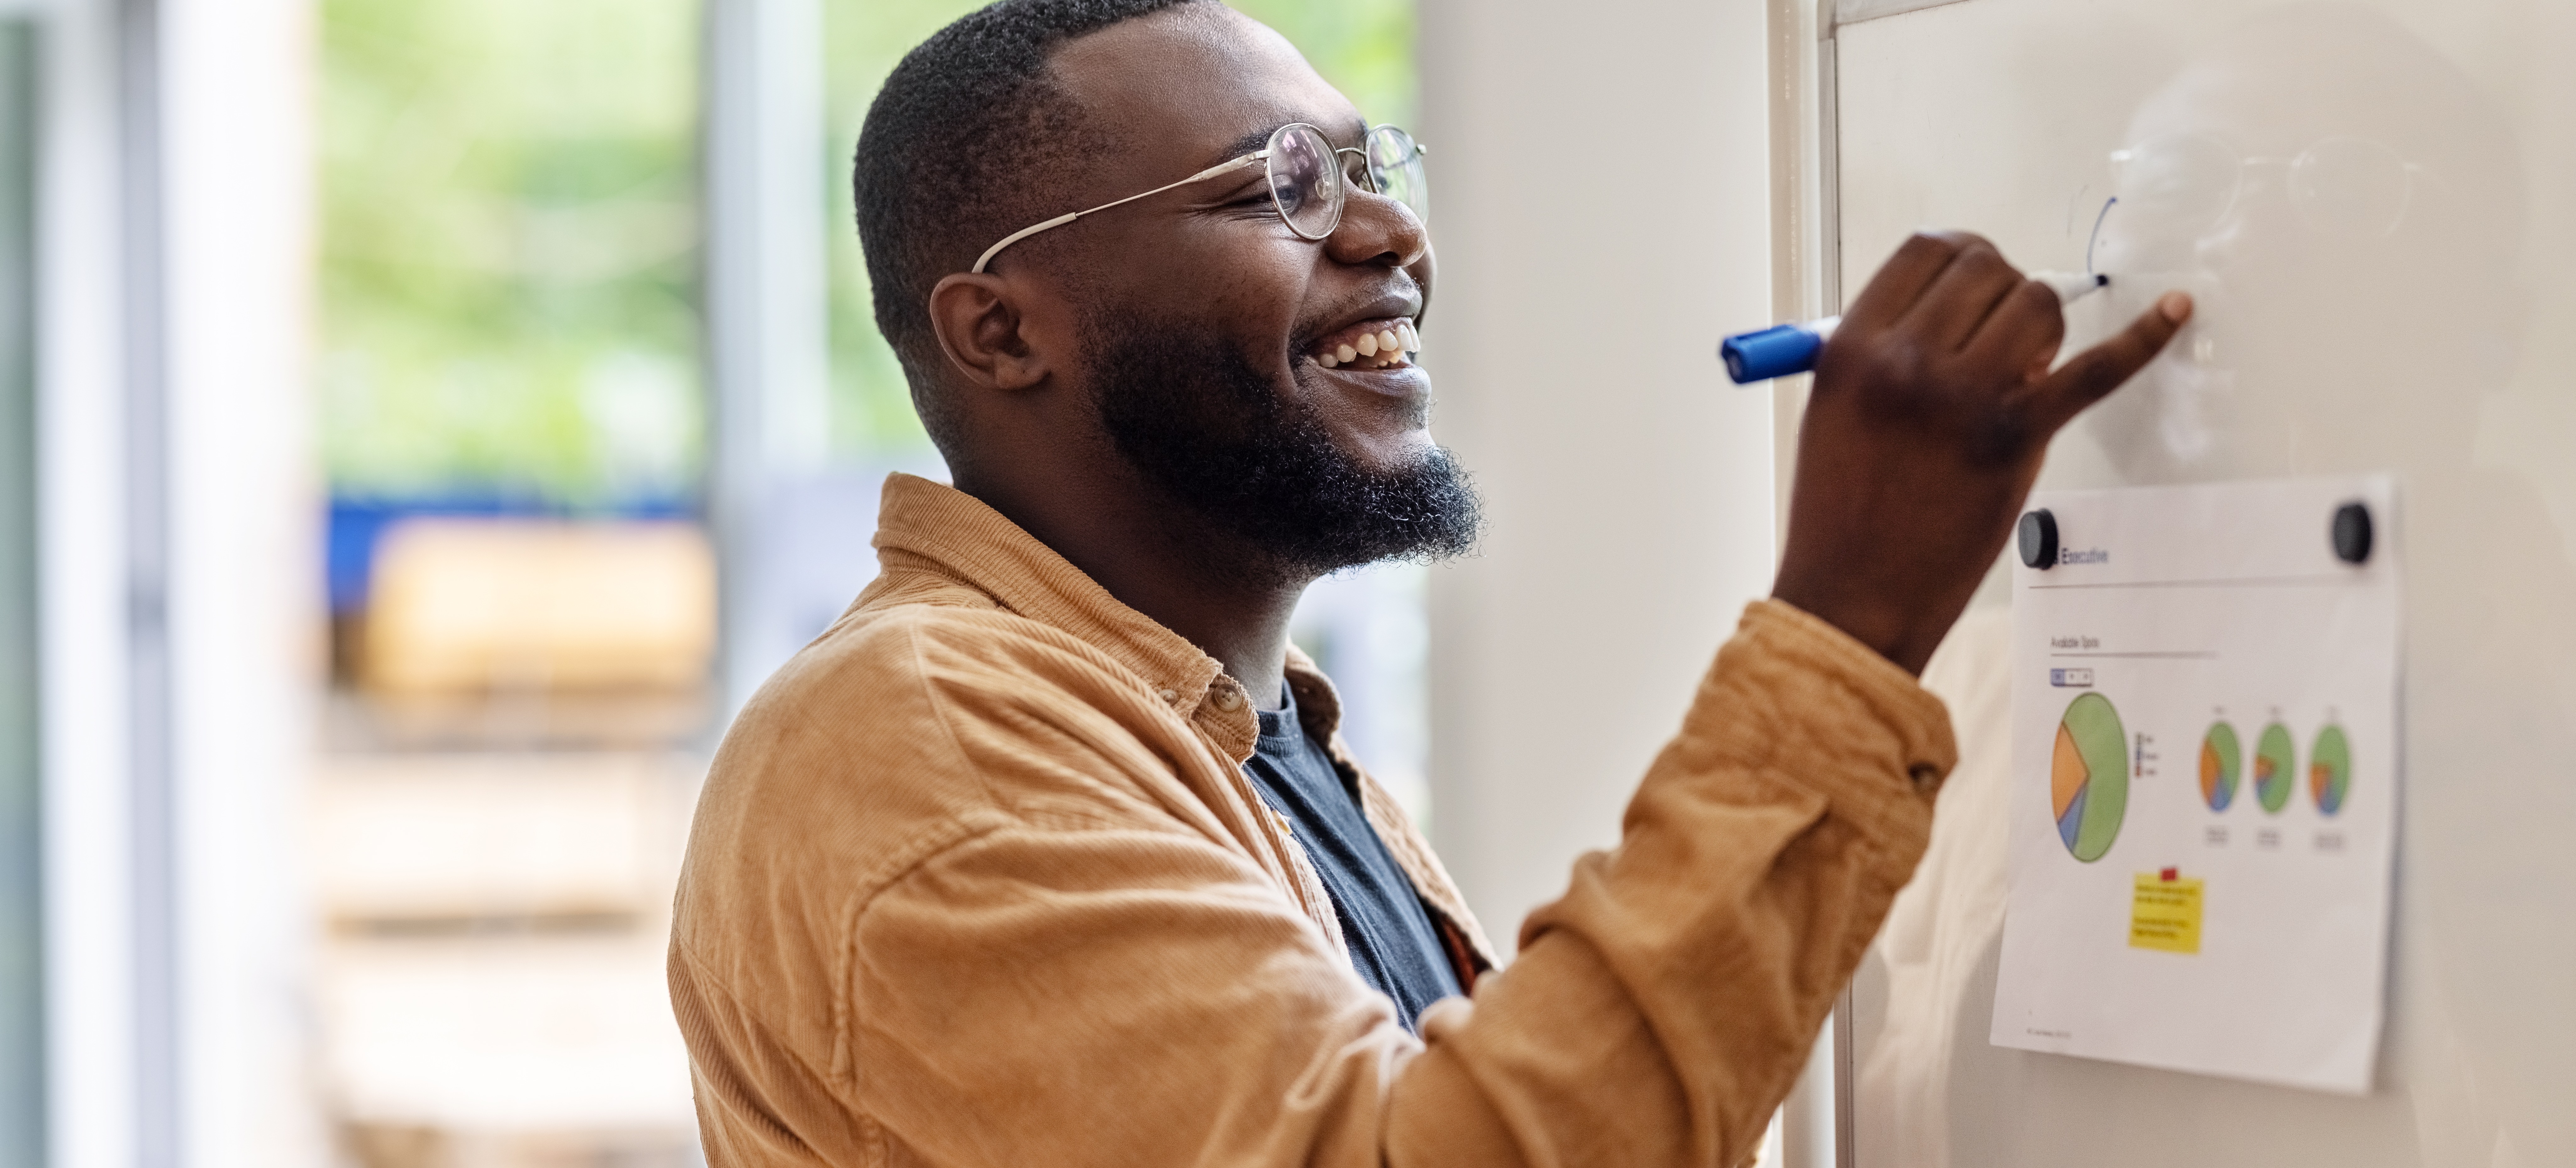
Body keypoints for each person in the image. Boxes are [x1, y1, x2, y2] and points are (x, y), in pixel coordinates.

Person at [665, 1, 2190, 1164]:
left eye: (1370, 167)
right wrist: (1848, 617)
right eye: (1280, 186)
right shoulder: (925, 740)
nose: (1393, 233)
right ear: (1003, 334)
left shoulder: (1241, 734)